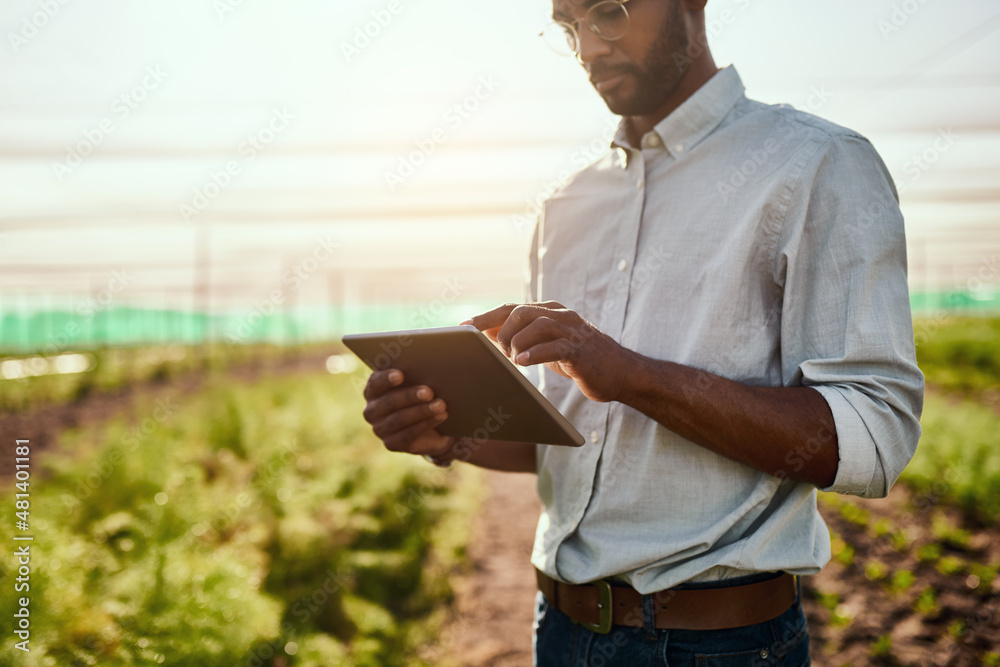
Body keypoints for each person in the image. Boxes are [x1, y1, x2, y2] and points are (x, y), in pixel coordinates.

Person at [361, 0, 924, 663]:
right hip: (561, 628)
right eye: (568, 26)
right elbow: (572, 443)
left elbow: (873, 434)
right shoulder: (566, 203)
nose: (588, 47)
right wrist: (451, 433)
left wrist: (629, 373)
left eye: (609, 12)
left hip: (718, 645)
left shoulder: (816, 166)